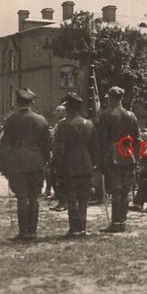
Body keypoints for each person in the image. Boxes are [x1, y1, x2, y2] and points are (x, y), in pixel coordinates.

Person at [0, 88, 52, 241]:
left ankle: (23, 232)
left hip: (17, 164)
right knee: (34, 198)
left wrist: (3, 165)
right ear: (31, 102)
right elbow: (47, 145)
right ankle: (32, 232)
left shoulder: (11, 119)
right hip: (36, 163)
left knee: (21, 197)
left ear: (18, 102)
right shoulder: (41, 120)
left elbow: (4, 145)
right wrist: (45, 162)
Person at [97, 86, 140, 233]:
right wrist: (137, 158)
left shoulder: (105, 115)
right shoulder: (131, 115)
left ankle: (115, 222)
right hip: (129, 155)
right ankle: (122, 222)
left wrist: (101, 160)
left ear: (110, 98)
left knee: (116, 190)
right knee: (125, 191)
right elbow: (137, 140)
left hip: (113, 156)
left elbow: (102, 141)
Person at [52, 93, 95, 236]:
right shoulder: (89, 124)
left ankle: (74, 228)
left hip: (69, 164)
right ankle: (82, 228)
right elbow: (94, 147)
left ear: (69, 108)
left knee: (72, 198)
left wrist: (57, 166)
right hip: (86, 163)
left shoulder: (63, 125)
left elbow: (58, 148)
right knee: (83, 198)